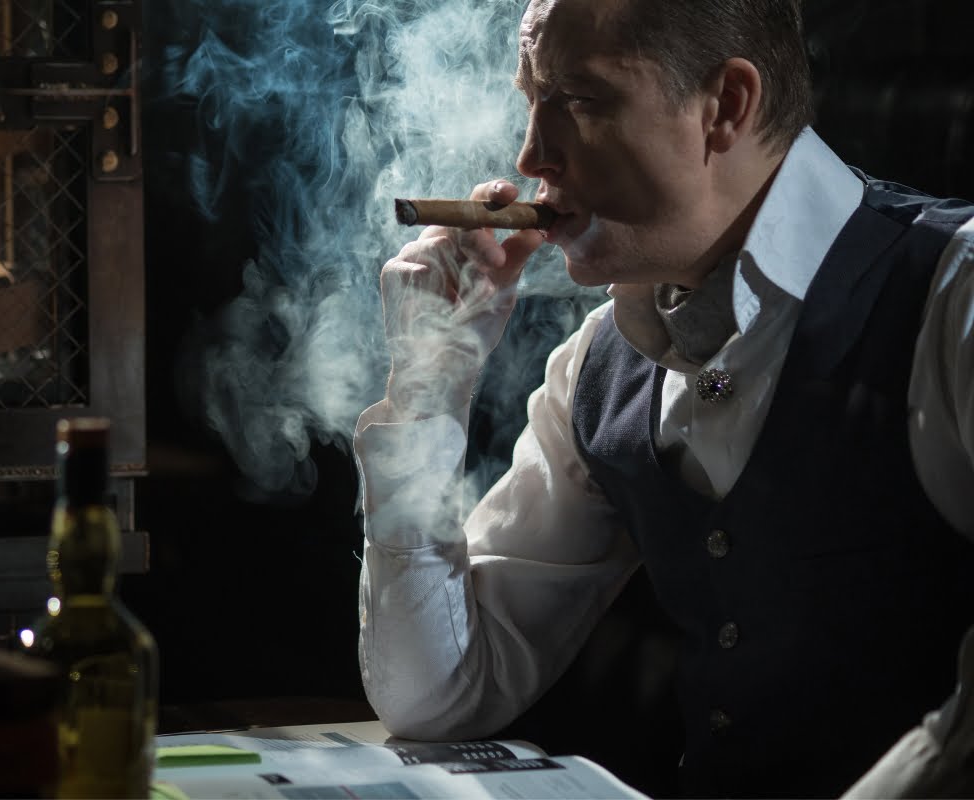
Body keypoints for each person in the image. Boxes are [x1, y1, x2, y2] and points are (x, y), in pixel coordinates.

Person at [353, 0, 974, 796]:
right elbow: (435, 693)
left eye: (578, 100)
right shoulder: (599, 366)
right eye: (530, 99)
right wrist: (429, 387)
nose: (532, 152)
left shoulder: (951, 295)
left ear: (726, 107)